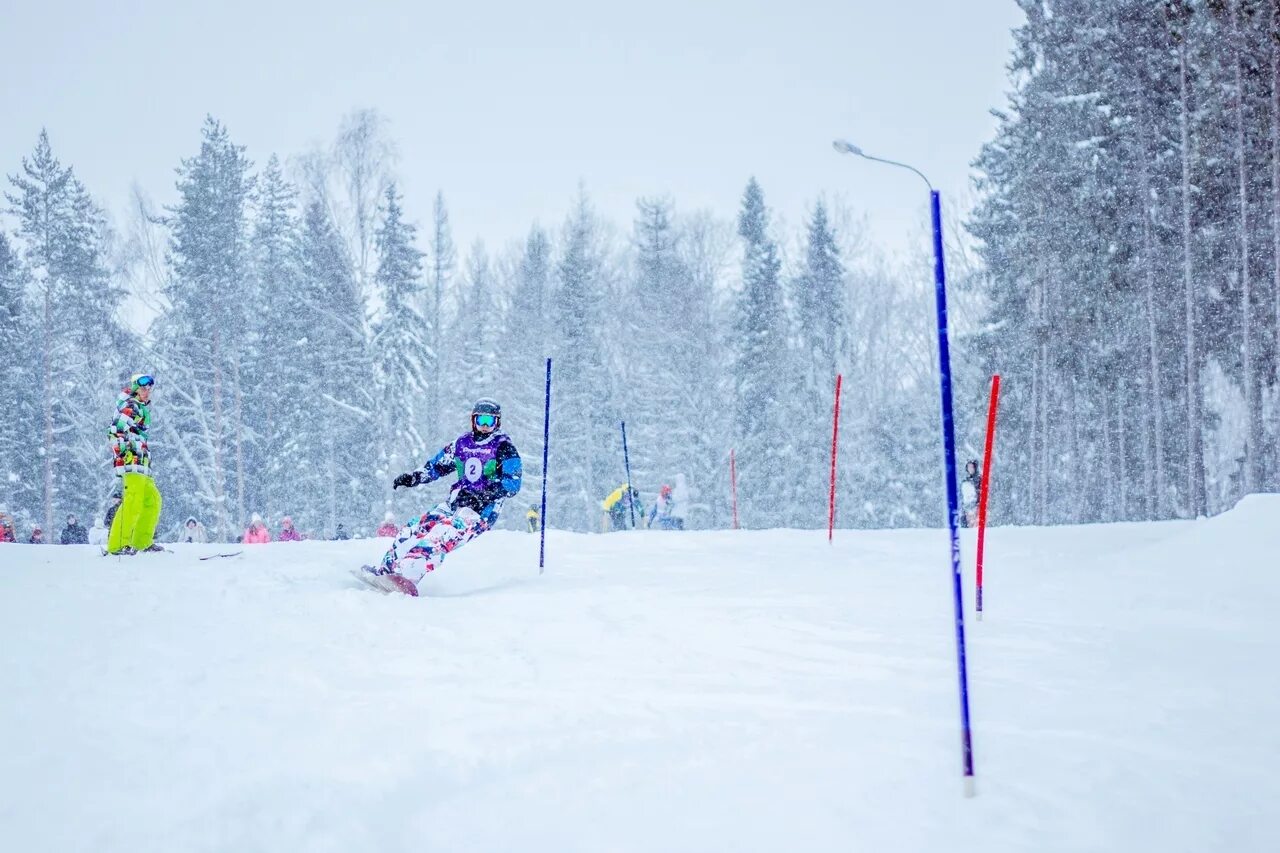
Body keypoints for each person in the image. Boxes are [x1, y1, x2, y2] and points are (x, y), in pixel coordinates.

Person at [358, 398, 521, 596]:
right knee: (412, 530)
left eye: (490, 421)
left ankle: (407, 576)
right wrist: (414, 478)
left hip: (480, 512)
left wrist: (486, 493)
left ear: (498, 423)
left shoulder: (504, 447)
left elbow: (512, 484)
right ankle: (386, 571)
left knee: (439, 537)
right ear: (473, 420)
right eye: (481, 420)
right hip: (455, 503)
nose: (485, 426)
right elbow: (437, 466)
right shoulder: (462, 443)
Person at [107, 374, 164, 555]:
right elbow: (115, 432)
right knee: (133, 501)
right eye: (143, 388)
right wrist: (126, 453)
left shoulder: (139, 407)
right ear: (134, 389)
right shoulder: (130, 406)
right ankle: (117, 546)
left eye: (149, 389)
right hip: (133, 460)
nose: (147, 392)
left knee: (152, 500)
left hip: (142, 461)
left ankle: (141, 542)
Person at [960, 459, 982, 528]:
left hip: (976, 507)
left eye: (971, 467)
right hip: (966, 507)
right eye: (968, 467)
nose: (970, 469)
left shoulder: (979, 479)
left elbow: (981, 493)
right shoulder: (965, 480)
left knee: (974, 525)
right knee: (965, 525)